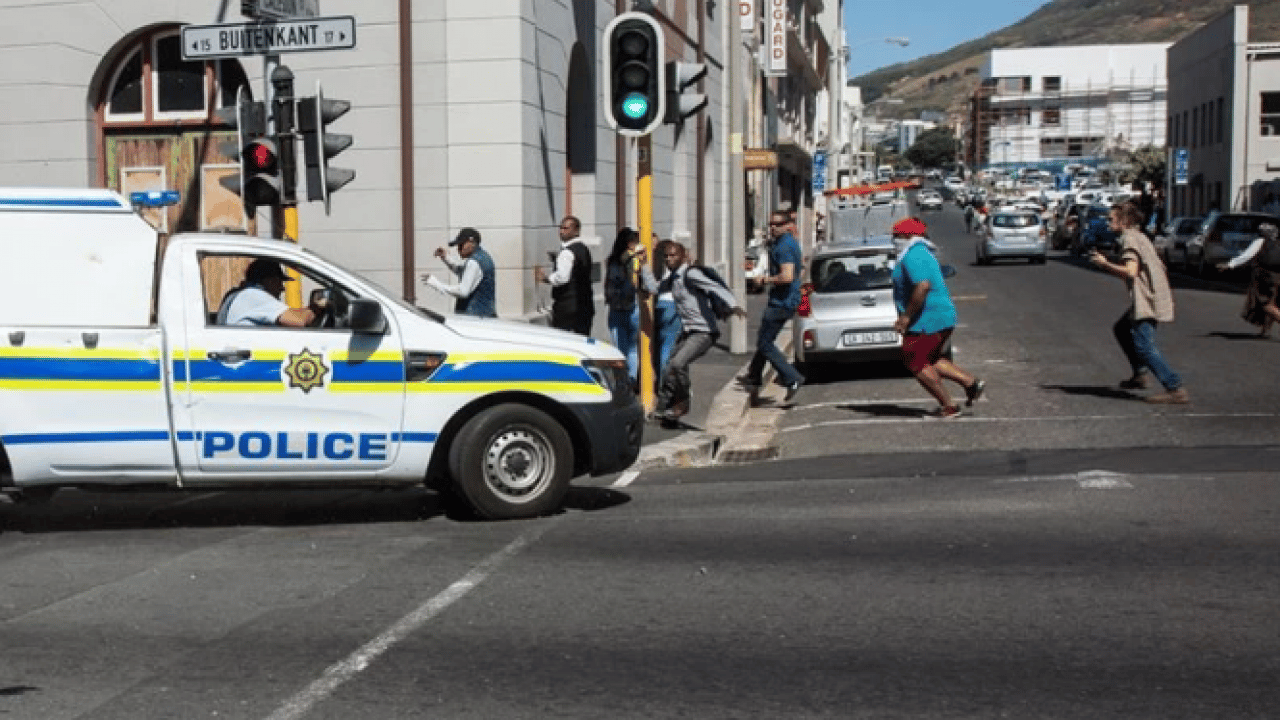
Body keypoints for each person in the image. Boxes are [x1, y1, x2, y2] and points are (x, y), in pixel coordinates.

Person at [1090, 201, 1188, 404]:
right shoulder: (1140, 237)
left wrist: (1104, 264)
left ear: (1124, 221)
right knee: (1122, 329)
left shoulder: (1129, 240)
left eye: (1111, 219)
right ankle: (1139, 375)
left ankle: (1174, 387)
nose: (1108, 223)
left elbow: (1130, 271)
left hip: (1147, 299)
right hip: (1151, 295)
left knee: (1143, 345)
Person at [637, 241, 746, 423]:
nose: (669, 260)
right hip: (687, 331)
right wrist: (644, 265)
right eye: (666, 256)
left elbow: (714, 286)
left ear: (683, 256)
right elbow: (654, 288)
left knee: (678, 363)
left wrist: (734, 305)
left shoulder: (691, 274)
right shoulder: (673, 279)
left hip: (703, 332)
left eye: (673, 256)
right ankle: (666, 405)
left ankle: (682, 402)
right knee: (669, 366)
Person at [890, 217, 985, 419]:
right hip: (937, 317)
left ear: (907, 236)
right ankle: (971, 383)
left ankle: (949, 406)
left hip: (927, 319)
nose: (893, 240)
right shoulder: (918, 253)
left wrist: (906, 317)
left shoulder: (913, 255)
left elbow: (922, 286)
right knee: (930, 359)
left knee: (914, 361)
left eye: (895, 236)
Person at [738, 209, 807, 404]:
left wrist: (764, 280)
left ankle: (792, 378)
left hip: (782, 301)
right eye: (771, 224)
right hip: (786, 299)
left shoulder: (784, 246)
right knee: (764, 338)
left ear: (787, 226)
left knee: (765, 343)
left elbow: (786, 276)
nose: (773, 228)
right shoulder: (788, 243)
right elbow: (799, 268)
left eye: (777, 224)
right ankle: (754, 375)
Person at [1217, 222, 1280, 338]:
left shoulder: (1260, 242)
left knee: (1265, 304)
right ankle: (1265, 331)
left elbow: (1247, 255)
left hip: (1264, 277)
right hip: (1278, 277)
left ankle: (1266, 330)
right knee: (1273, 303)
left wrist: (1230, 265)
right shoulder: (1277, 243)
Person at [217, 258, 322, 327]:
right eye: (279, 282)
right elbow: (299, 320)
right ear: (269, 281)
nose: (282, 288)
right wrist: (317, 308)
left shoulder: (240, 295)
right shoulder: (253, 296)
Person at [535, 215, 594, 335]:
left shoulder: (567, 252)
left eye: (566, 228)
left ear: (576, 231)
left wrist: (546, 279)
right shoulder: (583, 249)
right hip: (585, 305)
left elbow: (562, 277)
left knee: (564, 341)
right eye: (561, 228)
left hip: (567, 308)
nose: (562, 231)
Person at [422, 227, 496, 318]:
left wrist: (437, 285)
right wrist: (445, 257)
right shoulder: (483, 257)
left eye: (461, 245)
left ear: (471, 242)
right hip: (485, 316)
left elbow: (463, 291)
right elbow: (463, 272)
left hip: (475, 319)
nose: (458, 249)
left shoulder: (474, 262)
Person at [603, 227, 642, 385]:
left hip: (616, 308)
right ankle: (631, 380)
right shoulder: (635, 259)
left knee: (620, 348)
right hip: (633, 306)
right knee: (632, 348)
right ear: (630, 243)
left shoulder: (612, 261)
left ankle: (622, 381)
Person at [652, 238, 683, 380]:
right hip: (672, 306)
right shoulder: (677, 269)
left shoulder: (655, 264)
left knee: (658, 347)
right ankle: (665, 383)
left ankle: (658, 378)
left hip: (658, 305)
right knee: (668, 347)